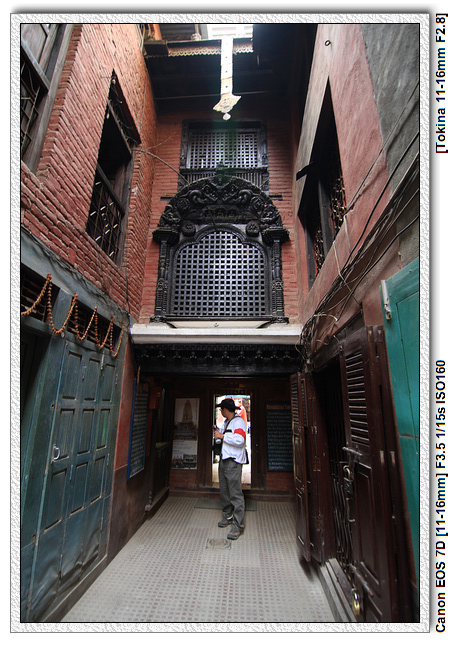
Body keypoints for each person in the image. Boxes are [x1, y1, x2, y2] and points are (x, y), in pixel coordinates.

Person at [214, 398, 247, 540]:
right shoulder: (227, 422)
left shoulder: (238, 422)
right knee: (224, 490)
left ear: (225, 410)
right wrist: (219, 436)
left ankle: (237, 526)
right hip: (224, 460)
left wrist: (223, 436)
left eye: (221, 409)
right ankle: (227, 516)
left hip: (233, 462)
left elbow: (240, 440)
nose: (220, 411)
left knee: (235, 493)